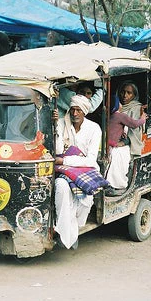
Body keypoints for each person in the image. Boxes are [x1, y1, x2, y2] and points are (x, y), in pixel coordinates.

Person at [54, 95, 102, 249]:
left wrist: (65, 161)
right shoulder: (62, 123)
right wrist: (56, 125)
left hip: (84, 171)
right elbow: (58, 150)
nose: (74, 114)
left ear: (85, 112)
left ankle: (72, 230)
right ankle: (65, 234)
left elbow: (90, 160)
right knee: (60, 186)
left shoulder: (94, 128)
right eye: (73, 110)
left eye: (78, 110)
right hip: (64, 171)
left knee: (86, 200)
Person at [105, 96, 146, 194]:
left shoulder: (111, 115)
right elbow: (134, 124)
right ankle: (117, 185)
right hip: (114, 144)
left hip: (108, 143)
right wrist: (143, 119)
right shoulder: (120, 115)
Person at [117, 81, 145, 156]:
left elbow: (135, 131)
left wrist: (124, 142)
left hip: (127, 143)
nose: (125, 95)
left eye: (129, 93)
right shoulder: (117, 106)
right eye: (123, 92)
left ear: (134, 95)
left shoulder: (136, 108)